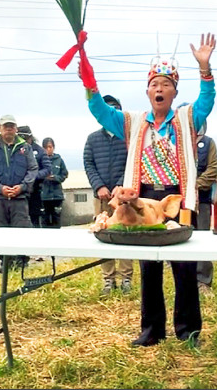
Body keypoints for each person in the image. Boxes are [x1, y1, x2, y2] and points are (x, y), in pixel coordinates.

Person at [86, 33, 216, 347]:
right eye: (154, 85)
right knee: (149, 266)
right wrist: (90, 86)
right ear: (147, 91)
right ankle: (151, 330)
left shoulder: (187, 118)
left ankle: (189, 332)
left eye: (166, 85)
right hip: (143, 198)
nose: (159, 90)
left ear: (174, 91)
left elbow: (207, 101)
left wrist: (204, 68)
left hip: (178, 197)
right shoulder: (133, 121)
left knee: (184, 266)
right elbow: (102, 112)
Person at [83, 94, 133, 296]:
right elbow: (89, 164)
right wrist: (99, 186)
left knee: (125, 234)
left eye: (115, 109)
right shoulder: (93, 139)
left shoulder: (129, 136)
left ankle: (126, 278)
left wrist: (122, 185)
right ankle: (108, 279)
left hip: (125, 198)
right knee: (103, 234)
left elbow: (132, 161)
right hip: (102, 197)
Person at [0, 114, 38, 273]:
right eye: (6, 126)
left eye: (11, 126)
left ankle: (21, 261)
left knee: (21, 228)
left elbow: (33, 169)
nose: (9, 129)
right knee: (1, 230)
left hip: (20, 197)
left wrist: (22, 186)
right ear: (0, 129)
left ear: (16, 129)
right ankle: (5, 262)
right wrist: (0, 188)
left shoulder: (25, 149)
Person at [192, 123, 217, 296]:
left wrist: (196, 185)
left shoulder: (208, 143)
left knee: (201, 238)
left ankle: (203, 281)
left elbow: (213, 167)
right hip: (179, 200)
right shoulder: (175, 141)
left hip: (202, 198)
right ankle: (185, 279)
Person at [18, 126, 52, 228]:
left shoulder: (39, 151)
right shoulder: (15, 150)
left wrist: (33, 176)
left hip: (34, 190)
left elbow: (47, 169)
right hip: (19, 190)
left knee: (35, 219)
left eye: (24, 137)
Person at [41, 137, 68, 228]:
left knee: (56, 220)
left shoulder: (59, 160)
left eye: (50, 147)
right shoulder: (39, 160)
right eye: (46, 147)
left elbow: (64, 174)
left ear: (53, 147)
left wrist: (55, 178)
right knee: (45, 220)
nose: (48, 149)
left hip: (57, 196)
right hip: (44, 197)